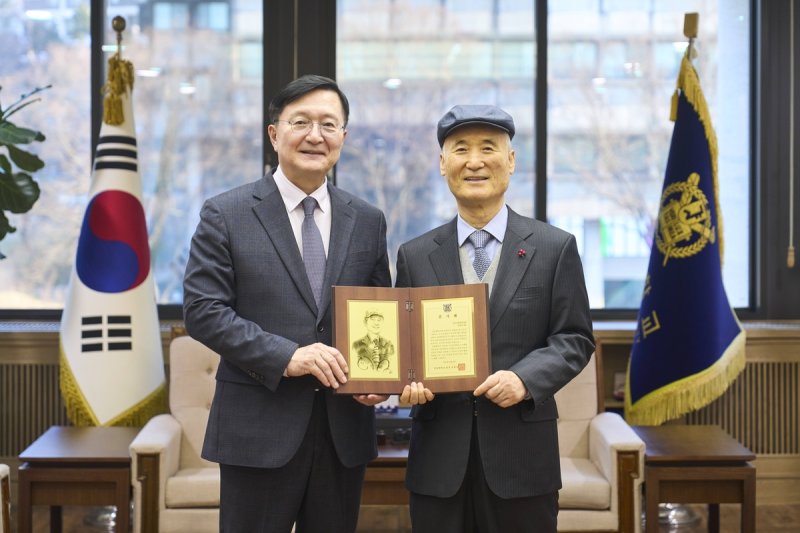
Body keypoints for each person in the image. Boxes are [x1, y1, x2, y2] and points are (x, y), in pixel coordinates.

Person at [183, 74, 391, 533]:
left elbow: (378, 311)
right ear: (274, 133)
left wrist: (381, 378)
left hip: (342, 431)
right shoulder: (226, 213)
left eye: (328, 124)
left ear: (343, 137)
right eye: (301, 122)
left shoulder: (368, 220)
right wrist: (287, 356)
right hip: (258, 428)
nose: (316, 135)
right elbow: (203, 311)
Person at [395, 104, 595, 533]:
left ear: (511, 160)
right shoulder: (414, 255)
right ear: (443, 163)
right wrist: (404, 381)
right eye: (461, 149)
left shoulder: (554, 248)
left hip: (521, 459)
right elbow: (404, 347)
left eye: (488, 148)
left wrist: (525, 379)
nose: (475, 161)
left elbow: (575, 338)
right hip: (438, 462)